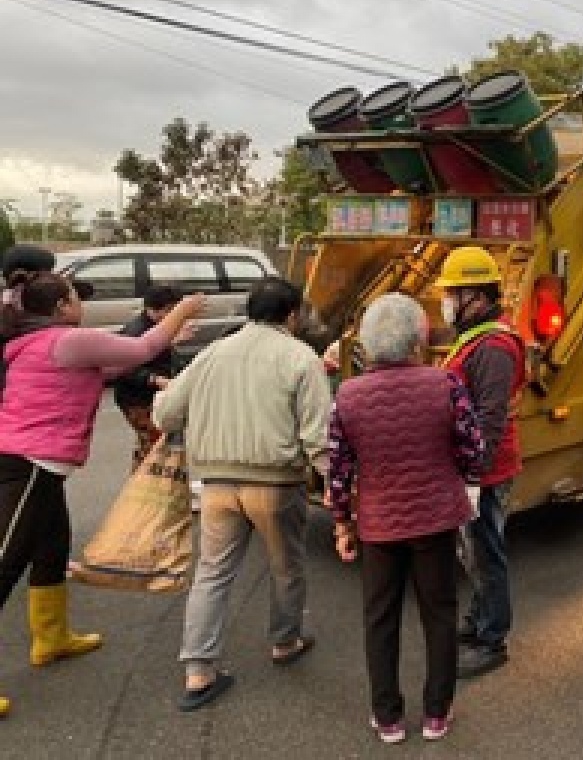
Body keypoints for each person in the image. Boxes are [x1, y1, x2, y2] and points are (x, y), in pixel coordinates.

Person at [0, 271, 203, 719]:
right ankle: (49, 637)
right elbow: (140, 350)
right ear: (59, 308)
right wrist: (183, 310)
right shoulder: (66, 339)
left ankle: (51, 638)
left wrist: (169, 331)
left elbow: (115, 365)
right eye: (76, 297)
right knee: (6, 562)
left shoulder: (46, 342)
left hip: (40, 465)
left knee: (51, 550)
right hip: (28, 463)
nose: (81, 304)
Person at [154, 277, 331, 712]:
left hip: (214, 484)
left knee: (212, 573)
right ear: (292, 315)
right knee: (286, 567)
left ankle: (199, 670)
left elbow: (165, 413)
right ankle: (285, 641)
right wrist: (339, 490)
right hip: (275, 484)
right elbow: (318, 438)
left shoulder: (213, 353)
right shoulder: (301, 358)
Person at [327, 294, 485, 743]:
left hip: (379, 524)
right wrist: (455, 473)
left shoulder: (348, 395)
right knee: (438, 613)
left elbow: (338, 469)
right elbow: (473, 451)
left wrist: (343, 522)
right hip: (435, 519)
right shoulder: (445, 384)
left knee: (380, 617)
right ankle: (437, 713)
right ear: (418, 339)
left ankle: (388, 718)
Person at [434, 247, 526, 678]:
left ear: (479, 296)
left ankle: (492, 639)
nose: (447, 300)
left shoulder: (492, 348)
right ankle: (478, 623)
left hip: (485, 469)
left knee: (486, 553)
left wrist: (473, 474)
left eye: (454, 293)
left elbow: (488, 418)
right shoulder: (477, 338)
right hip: (475, 466)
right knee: (473, 552)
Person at [112, 285, 189, 473]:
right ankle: (147, 487)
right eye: (171, 311)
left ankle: (140, 485)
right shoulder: (135, 331)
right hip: (136, 399)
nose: (175, 316)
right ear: (153, 309)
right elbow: (122, 367)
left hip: (151, 396)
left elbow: (168, 359)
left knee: (150, 445)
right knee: (156, 445)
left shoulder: (160, 328)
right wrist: (154, 379)